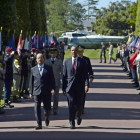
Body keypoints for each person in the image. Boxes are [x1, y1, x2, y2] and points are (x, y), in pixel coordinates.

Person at [62, 46, 89, 129]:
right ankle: (72, 122)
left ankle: (79, 115)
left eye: (75, 50)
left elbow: (85, 75)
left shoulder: (82, 61)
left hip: (79, 87)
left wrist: (86, 85)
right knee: (71, 103)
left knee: (79, 105)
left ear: (78, 52)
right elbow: (64, 76)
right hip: (69, 87)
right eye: (72, 50)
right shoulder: (66, 62)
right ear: (70, 52)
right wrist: (63, 88)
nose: (74, 52)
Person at [29, 53, 55, 130]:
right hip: (36, 91)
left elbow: (52, 80)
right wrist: (31, 92)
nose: (40, 59)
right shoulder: (33, 69)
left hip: (46, 91)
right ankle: (39, 124)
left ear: (44, 59)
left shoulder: (49, 68)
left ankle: (47, 118)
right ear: (36, 60)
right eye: (38, 58)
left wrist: (52, 89)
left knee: (47, 108)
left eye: (41, 58)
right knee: (37, 108)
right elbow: (31, 81)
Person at [45, 48, 63, 115]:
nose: (53, 54)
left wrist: (63, 80)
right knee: (48, 96)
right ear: (49, 54)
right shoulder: (46, 61)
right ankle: (48, 108)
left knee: (56, 96)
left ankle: (55, 109)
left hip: (56, 81)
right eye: (51, 53)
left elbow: (62, 71)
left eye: (54, 53)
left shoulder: (59, 61)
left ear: (56, 53)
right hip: (48, 82)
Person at [77, 46, 94, 114]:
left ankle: (81, 108)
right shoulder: (75, 59)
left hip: (84, 79)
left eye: (81, 51)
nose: (79, 53)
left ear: (83, 51)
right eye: (78, 51)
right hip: (76, 79)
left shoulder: (86, 59)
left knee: (83, 95)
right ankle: (76, 107)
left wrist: (91, 76)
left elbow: (90, 69)